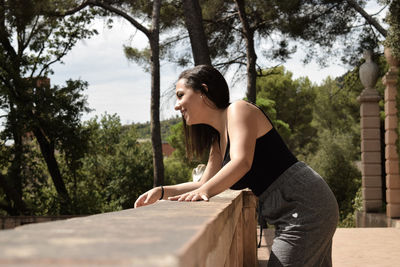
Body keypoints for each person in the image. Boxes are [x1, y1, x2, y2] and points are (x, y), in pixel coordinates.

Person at [134, 65, 339, 266]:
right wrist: (161, 191)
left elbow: (242, 162)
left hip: (305, 204)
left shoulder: (238, 110)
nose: (177, 106)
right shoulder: (217, 141)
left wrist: (205, 191)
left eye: (180, 95)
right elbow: (203, 184)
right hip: (291, 210)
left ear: (203, 91)